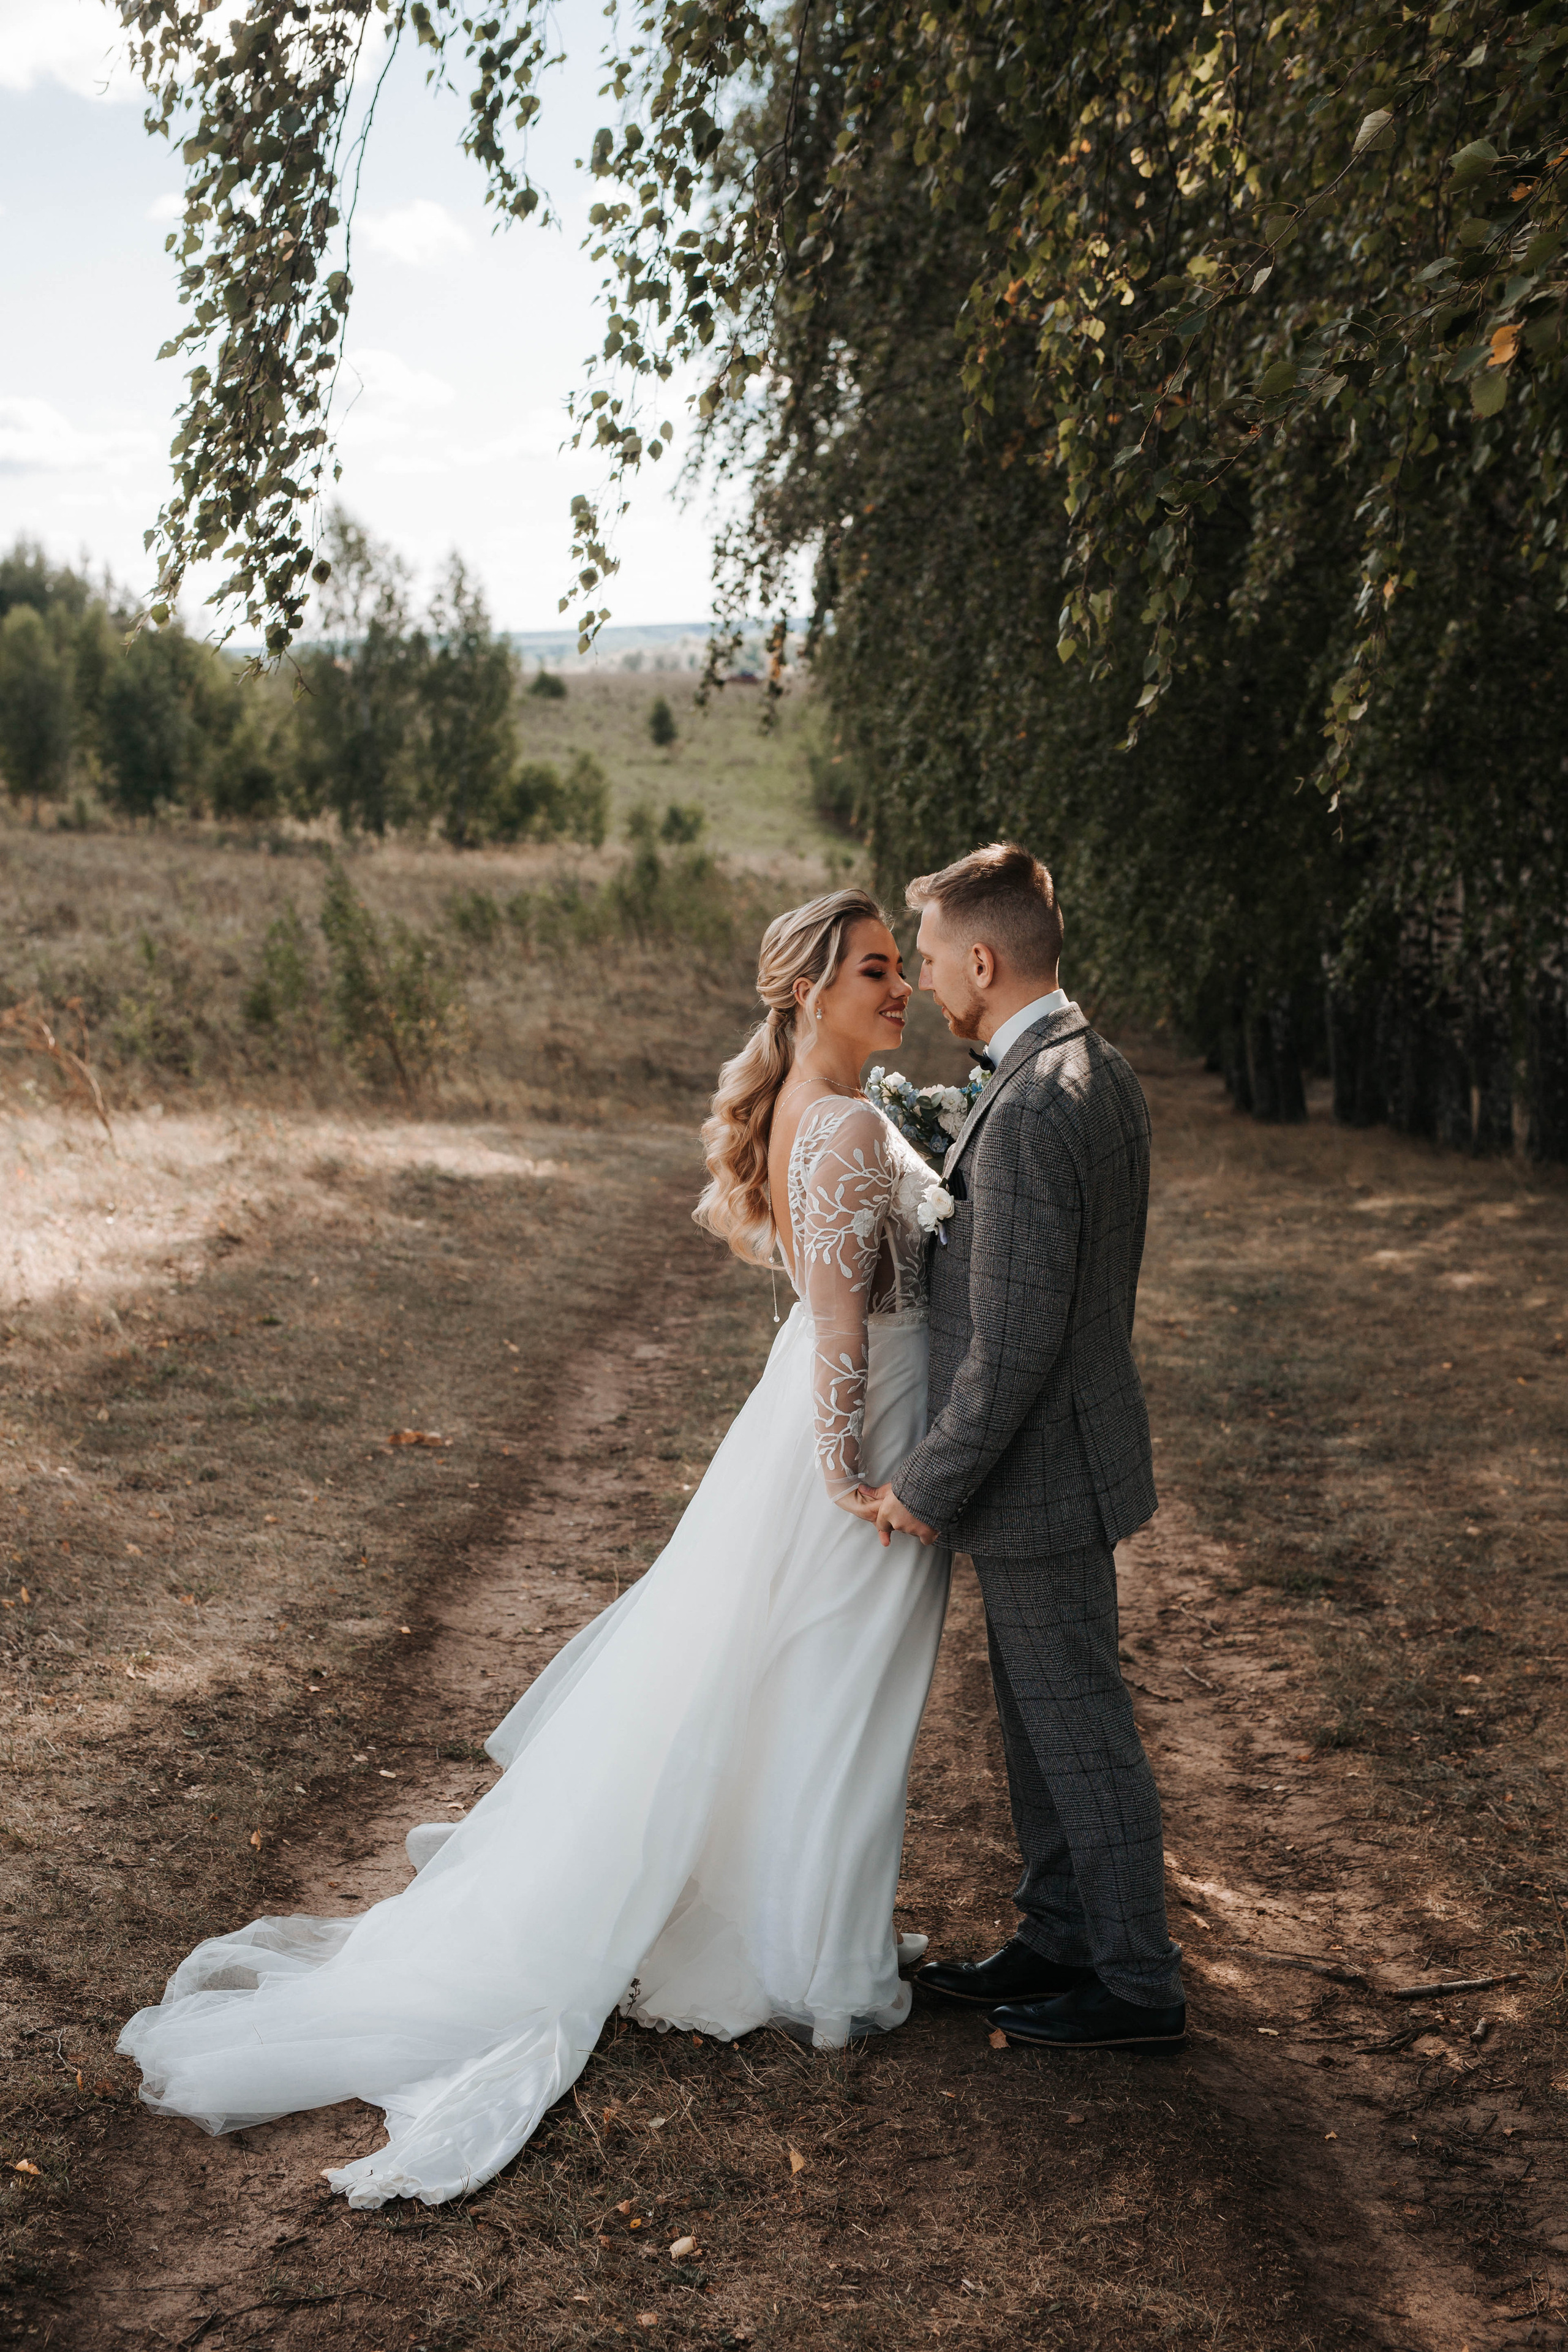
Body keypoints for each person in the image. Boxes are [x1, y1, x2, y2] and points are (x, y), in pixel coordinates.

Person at [117, 889, 951, 2208]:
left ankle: (805, 1922)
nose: (896, 987)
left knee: (802, 1687)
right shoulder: (845, 1121)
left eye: (900, 967)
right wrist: (857, 1482)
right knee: (841, 1687)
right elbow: (843, 1329)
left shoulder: (829, 1107)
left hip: (814, 1429)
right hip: (849, 1443)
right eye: (872, 969)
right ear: (806, 992)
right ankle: (817, 1956)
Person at [864, 842, 1186, 2051]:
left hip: (1038, 1471)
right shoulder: (1081, 1068)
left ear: (984, 960)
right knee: (1039, 1719)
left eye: (935, 956)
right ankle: (1057, 1931)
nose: (929, 979)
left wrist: (922, 1488)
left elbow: (1011, 1346)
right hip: (1057, 1464)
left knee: (1077, 1725)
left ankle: (1135, 1984)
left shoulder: (1036, 1109)